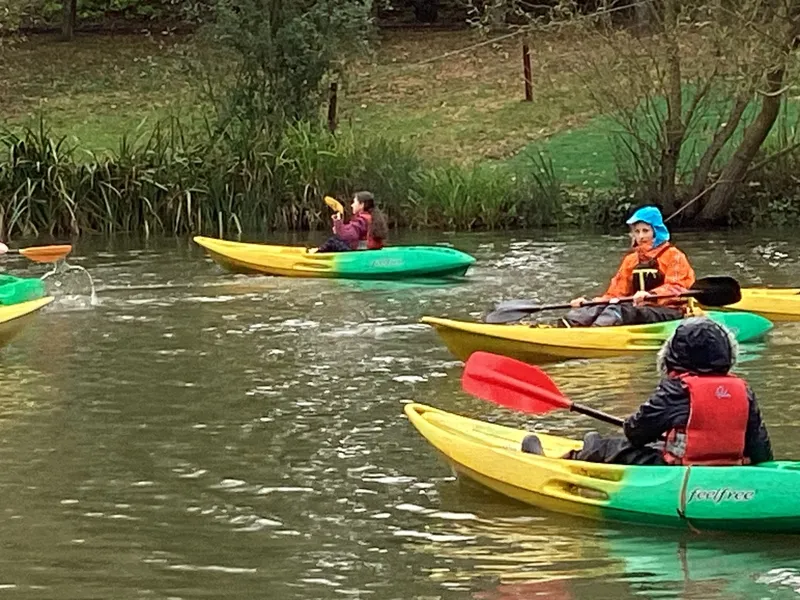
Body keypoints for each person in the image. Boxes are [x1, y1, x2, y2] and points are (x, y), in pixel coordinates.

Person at [521, 317, 773, 466]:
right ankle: (587, 445)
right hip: (729, 466)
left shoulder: (677, 389)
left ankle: (560, 461)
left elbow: (636, 433)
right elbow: (760, 448)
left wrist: (632, 426)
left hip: (679, 470)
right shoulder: (743, 391)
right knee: (647, 443)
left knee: (606, 445)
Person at [564, 205, 695, 327]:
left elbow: (677, 288)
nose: (641, 236)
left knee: (622, 310)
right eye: (637, 231)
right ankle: (572, 324)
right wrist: (589, 303)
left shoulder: (674, 256)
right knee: (600, 307)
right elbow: (615, 293)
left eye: (645, 231)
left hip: (669, 310)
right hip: (638, 309)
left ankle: (597, 331)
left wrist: (651, 294)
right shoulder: (631, 260)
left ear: (656, 232)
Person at [317, 191, 388, 253]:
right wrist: (338, 228)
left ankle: (316, 255)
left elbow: (347, 236)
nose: (352, 205)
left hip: (362, 251)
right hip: (367, 249)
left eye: (354, 202)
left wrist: (338, 222)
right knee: (336, 242)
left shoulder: (362, 219)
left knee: (332, 241)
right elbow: (350, 230)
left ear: (362, 205)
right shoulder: (369, 217)